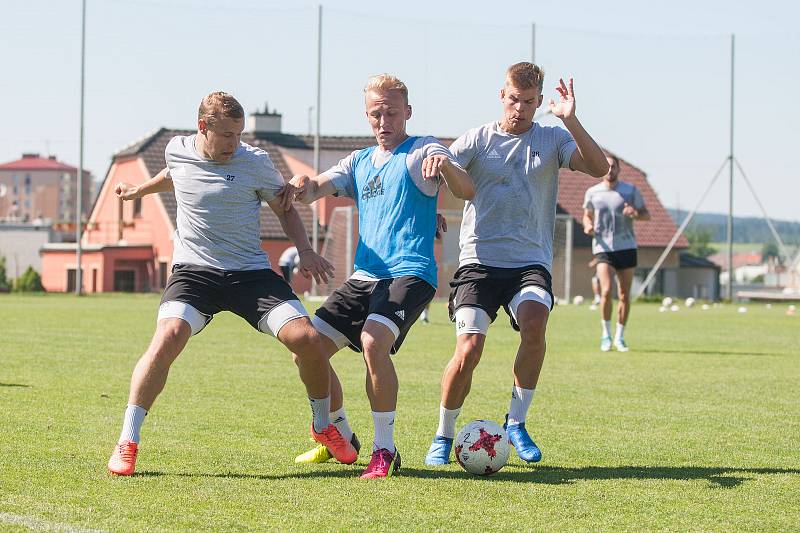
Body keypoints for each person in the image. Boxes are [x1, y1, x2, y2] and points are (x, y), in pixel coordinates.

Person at [106, 92, 357, 476]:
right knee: (167, 336)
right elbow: (173, 175)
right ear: (203, 127)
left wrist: (305, 250)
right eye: (226, 135)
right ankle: (128, 440)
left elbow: (284, 206)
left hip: (249, 274)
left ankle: (322, 425)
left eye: (238, 135)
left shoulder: (254, 162)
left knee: (306, 339)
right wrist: (138, 191)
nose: (233, 143)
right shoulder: (176, 150)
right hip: (194, 272)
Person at [282, 74, 474, 478]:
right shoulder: (359, 161)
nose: (384, 120)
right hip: (366, 277)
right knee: (308, 348)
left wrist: (446, 168)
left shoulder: (424, 149)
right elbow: (317, 186)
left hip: (411, 273)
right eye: (376, 113)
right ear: (367, 115)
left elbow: (465, 187)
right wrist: (302, 185)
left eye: (391, 111)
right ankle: (342, 436)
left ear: (407, 111)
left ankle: (385, 450)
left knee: (372, 341)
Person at [424, 62, 609, 466]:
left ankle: (516, 423)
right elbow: (438, 173)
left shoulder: (553, 137)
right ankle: (444, 433)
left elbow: (599, 168)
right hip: (479, 262)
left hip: (529, 262)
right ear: (501, 96)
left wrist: (572, 120)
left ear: (540, 102)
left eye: (528, 102)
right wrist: (436, 170)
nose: (519, 108)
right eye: (513, 99)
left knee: (534, 323)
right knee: (469, 349)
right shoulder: (476, 139)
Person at [582, 154, 650, 352]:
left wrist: (635, 213)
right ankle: (606, 334)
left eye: (614, 167)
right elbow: (587, 215)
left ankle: (620, 337)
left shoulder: (630, 191)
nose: (610, 171)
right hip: (603, 248)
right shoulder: (593, 192)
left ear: (619, 169)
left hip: (627, 246)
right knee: (606, 290)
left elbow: (646, 215)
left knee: (624, 294)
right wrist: (587, 226)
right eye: (608, 167)